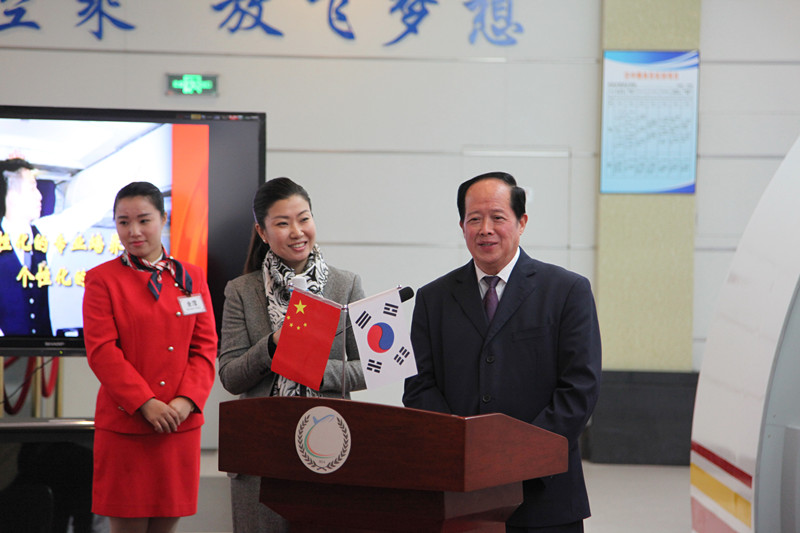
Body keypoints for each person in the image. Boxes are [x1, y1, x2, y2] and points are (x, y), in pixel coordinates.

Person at [403, 171, 602, 533]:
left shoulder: (567, 291)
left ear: (521, 222)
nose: (485, 230)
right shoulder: (433, 299)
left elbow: (580, 389)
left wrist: (517, 457)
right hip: (458, 492)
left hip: (545, 494)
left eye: (497, 217)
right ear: (461, 226)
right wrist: (460, 452)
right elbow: (419, 386)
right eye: (474, 219)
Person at [219, 177, 367, 533]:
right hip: (261, 452)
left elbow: (369, 368)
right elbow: (230, 377)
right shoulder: (242, 291)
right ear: (263, 231)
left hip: (329, 445)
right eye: (283, 223)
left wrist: (313, 369)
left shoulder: (345, 285)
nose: (297, 232)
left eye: (304, 219)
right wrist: (273, 345)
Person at [82, 181, 217, 533]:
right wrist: (145, 403)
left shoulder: (191, 277)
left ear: (163, 218)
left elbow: (205, 347)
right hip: (127, 425)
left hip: (177, 424)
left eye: (144, 220)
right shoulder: (102, 280)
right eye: (123, 222)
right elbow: (102, 351)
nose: (134, 231)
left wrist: (186, 401)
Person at [0, 158, 51, 336]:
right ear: (11, 194)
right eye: (32, 188)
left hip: (41, 346)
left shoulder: (41, 236)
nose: (39, 196)